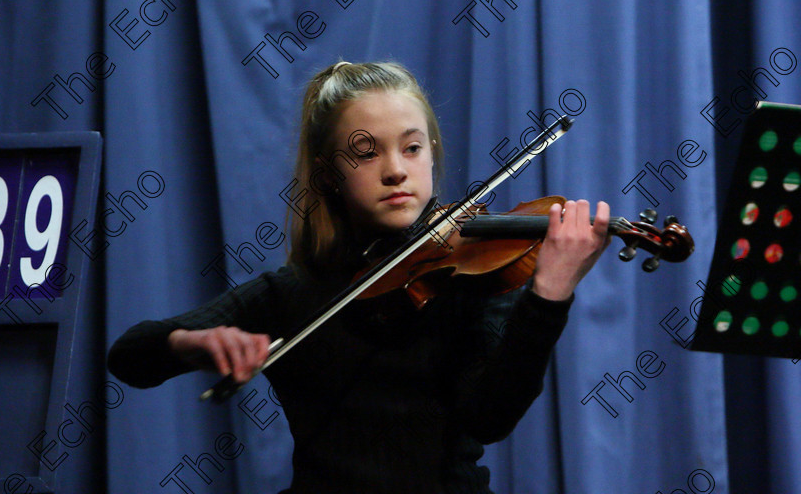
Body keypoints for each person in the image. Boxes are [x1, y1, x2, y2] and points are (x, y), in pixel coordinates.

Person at [107, 61, 611, 493]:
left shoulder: (470, 276)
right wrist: (187, 342)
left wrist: (548, 295)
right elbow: (129, 356)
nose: (396, 170)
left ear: (431, 153)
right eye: (367, 153)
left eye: (412, 149)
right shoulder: (291, 292)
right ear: (329, 175)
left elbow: (490, 417)